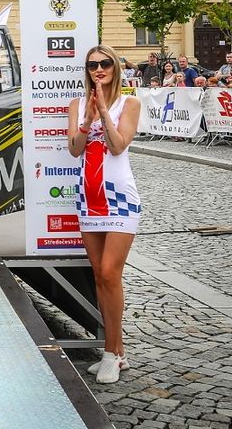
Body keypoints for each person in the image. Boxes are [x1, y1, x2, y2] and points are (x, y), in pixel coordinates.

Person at [66, 45, 141, 385]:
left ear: (115, 67)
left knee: (111, 272)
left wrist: (104, 113)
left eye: (105, 63)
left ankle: (110, 354)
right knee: (99, 275)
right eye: (92, 65)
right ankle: (117, 352)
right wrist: (86, 119)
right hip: (88, 197)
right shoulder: (77, 104)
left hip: (120, 198)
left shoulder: (130, 103)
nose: (99, 69)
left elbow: (118, 145)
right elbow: (74, 149)